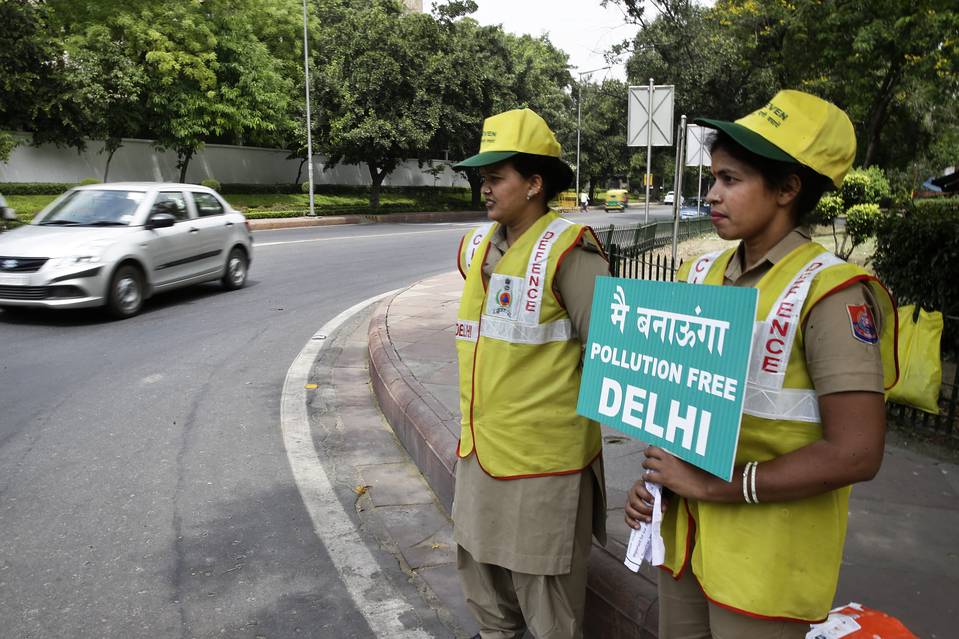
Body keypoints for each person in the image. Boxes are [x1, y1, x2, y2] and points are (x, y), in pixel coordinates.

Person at [624, 90, 899, 638]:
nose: (711, 194)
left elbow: (856, 453)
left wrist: (712, 487)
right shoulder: (700, 274)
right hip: (686, 544)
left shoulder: (833, 293)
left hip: (767, 564)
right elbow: (676, 403)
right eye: (713, 177)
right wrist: (655, 483)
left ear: (788, 189)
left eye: (731, 179)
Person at [451, 108, 609, 639]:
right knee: (484, 587)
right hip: (480, 451)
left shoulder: (572, 251)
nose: (485, 189)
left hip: (545, 468)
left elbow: (615, 355)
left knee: (548, 608)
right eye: (483, 178)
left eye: (497, 177)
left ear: (535, 184)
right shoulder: (479, 246)